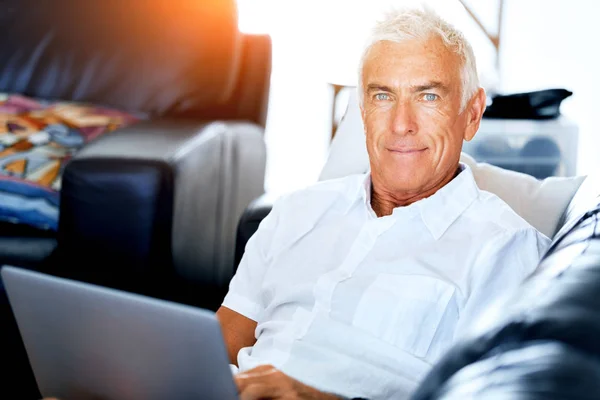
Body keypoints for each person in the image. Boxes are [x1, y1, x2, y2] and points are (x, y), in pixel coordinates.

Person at [217, 6, 551, 400]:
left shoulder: (507, 249)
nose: (400, 124)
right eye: (382, 95)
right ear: (362, 110)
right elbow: (216, 346)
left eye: (428, 96)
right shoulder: (294, 213)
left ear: (472, 113)